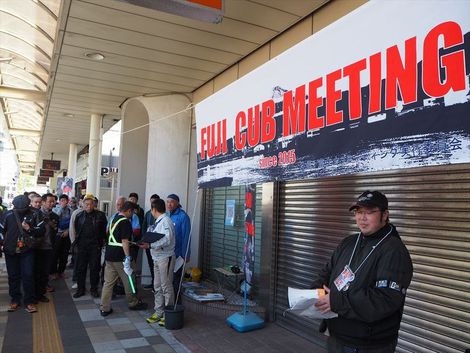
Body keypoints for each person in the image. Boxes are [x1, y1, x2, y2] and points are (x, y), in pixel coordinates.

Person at [312, 191, 413, 353]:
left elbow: (385, 299)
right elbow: (327, 272)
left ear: (385, 214)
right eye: (359, 212)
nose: (362, 218)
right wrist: (314, 294)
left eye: (369, 212)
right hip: (337, 336)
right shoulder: (349, 242)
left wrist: (336, 301)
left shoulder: (393, 250)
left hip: (367, 345)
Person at [99, 201, 147, 316]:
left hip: (109, 255)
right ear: (129, 210)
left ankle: (104, 308)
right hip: (120, 256)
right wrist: (128, 257)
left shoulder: (113, 219)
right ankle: (133, 303)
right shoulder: (125, 222)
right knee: (129, 280)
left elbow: (114, 238)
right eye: (133, 212)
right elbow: (124, 241)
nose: (133, 215)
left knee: (108, 283)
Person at [1, 195, 45, 313]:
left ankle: (29, 301)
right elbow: (0, 231)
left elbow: (42, 231)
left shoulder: (35, 213)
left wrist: (29, 229)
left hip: (27, 250)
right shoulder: (7, 214)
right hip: (10, 251)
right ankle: (15, 300)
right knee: (13, 276)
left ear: (28, 205)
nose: (20, 211)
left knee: (28, 275)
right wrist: (2, 243)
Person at [140, 198, 175, 326]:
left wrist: (150, 245)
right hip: (157, 257)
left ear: (154, 209)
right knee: (157, 286)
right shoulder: (158, 221)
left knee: (166, 286)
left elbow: (167, 239)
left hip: (165, 257)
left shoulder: (166, 221)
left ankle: (168, 313)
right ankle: (158, 312)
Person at [73, 193, 107, 298]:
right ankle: (80, 289)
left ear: (94, 205)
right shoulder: (79, 216)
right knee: (80, 268)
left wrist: (103, 243)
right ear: (82, 204)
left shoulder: (100, 215)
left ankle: (94, 289)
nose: (88, 206)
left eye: (90, 204)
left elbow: (105, 231)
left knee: (94, 269)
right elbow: (76, 230)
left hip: (95, 246)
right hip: (82, 246)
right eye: (86, 204)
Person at [34, 193, 59, 303]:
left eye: (53, 202)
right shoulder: (35, 214)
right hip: (36, 248)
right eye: (50, 201)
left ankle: (41, 294)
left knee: (45, 273)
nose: (52, 204)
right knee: (35, 272)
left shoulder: (55, 216)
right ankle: (33, 294)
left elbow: (55, 231)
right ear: (43, 202)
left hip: (49, 248)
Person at [166, 194, 190, 302]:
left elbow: (186, 236)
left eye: (171, 202)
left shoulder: (183, 216)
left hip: (179, 254)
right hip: (167, 254)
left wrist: (186, 254)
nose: (169, 204)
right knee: (168, 279)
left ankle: (176, 302)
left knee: (176, 279)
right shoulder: (167, 215)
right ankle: (169, 300)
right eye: (167, 202)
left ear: (177, 203)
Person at [50, 194, 72, 280]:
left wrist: (68, 231)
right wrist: (61, 208)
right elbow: (55, 220)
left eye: (65, 200)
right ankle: (53, 272)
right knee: (55, 254)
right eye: (61, 200)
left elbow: (72, 222)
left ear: (67, 201)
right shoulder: (55, 209)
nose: (63, 202)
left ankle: (61, 272)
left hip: (66, 235)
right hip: (57, 235)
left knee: (64, 254)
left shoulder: (71, 210)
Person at [141, 194, 160, 290]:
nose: (153, 204)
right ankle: (153, 283)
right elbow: (144, 227)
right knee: (151, 264)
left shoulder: (162, 215)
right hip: (148, 244)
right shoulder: (148, 213)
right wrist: (144, 240)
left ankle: (156, 285)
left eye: (155, 202)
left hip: (158, 245)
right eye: (151, 202)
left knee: (157, 266)